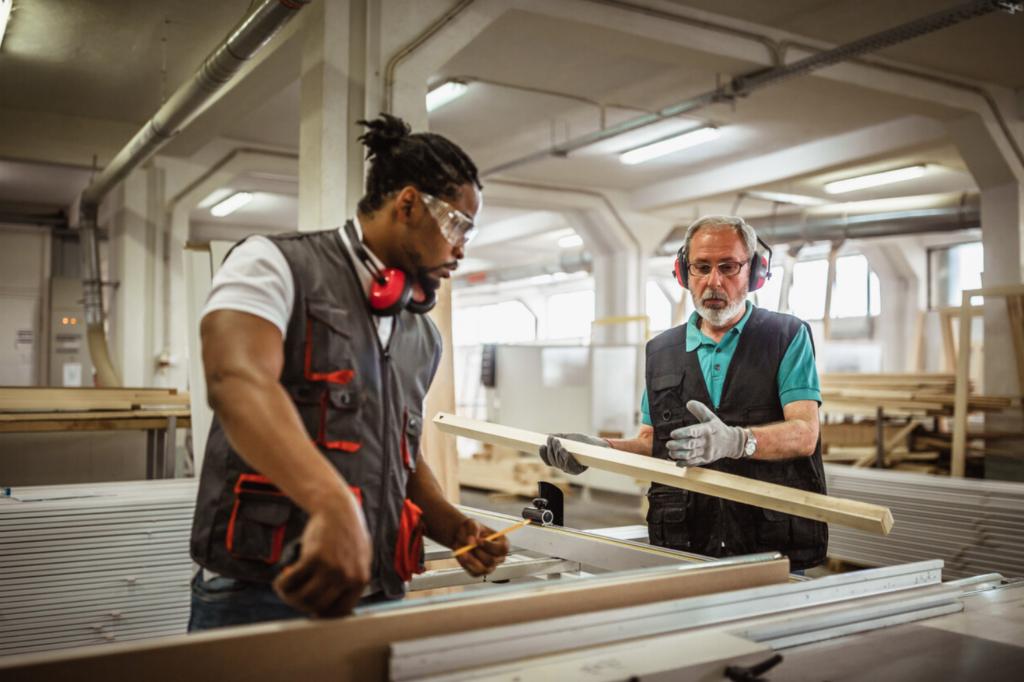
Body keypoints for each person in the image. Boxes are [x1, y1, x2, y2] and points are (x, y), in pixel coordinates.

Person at [188, 113, 509, 631]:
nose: (462, 247)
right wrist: (331, 502)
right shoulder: (274, 265)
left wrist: (451, 525)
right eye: (457, 224)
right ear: (407, 204)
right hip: (260, 588)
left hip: (375, 586)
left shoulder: (420, 334)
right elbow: (236, 382)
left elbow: (399, 454)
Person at [540, 215, 826, 572]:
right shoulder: (661, 351)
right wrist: (601, 450)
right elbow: (653, 443)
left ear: (754, 273)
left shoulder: (785, 337)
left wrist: (737, 441)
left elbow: (804, 433)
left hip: (770, 540)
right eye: (701, 267)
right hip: (686, 539)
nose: (713, 281)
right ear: (682, 273)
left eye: (728, 267)